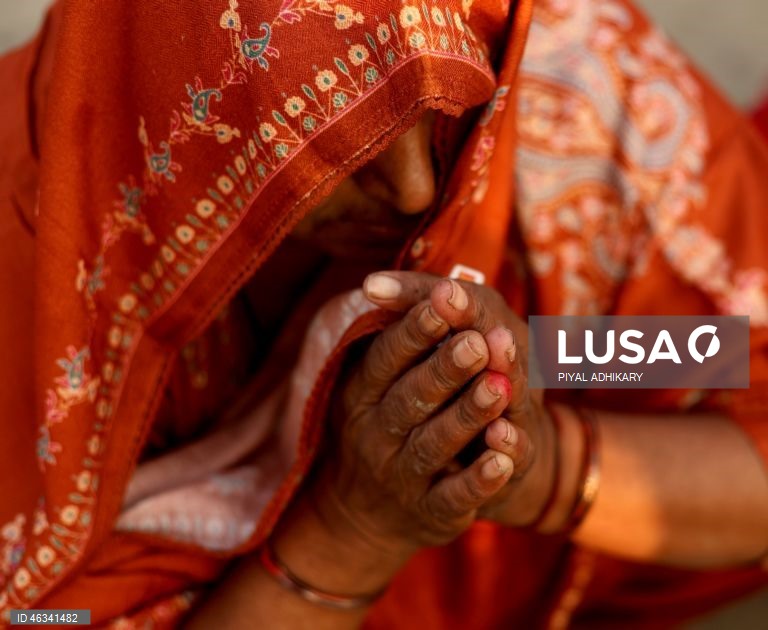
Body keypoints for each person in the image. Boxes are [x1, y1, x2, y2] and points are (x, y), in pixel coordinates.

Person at [0, 0, 766, 628]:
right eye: (336, 143)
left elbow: (723, 360)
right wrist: (351, 529)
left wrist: (532, 442)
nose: (415, 195)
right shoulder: (32, 283)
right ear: (186, 106)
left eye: (445, 116)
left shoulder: (579, 96)